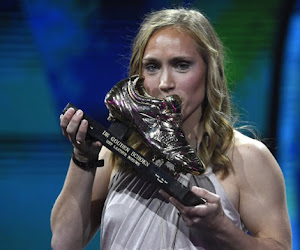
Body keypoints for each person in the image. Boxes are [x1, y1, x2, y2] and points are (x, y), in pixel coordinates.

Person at [50, 8, 292, 250]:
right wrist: (83, 158)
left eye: (181, 65)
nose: (165, 83)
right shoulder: (115, 153)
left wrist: (221, 229)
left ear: (210, 72)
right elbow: (63, 243)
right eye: (152, 67)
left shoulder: (247, 157)